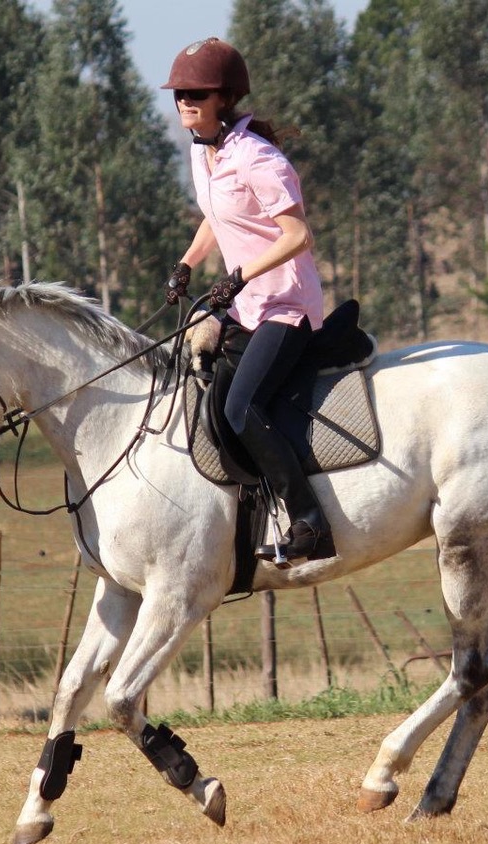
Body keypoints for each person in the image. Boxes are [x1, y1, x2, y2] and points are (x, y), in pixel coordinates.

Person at [161, 37, 334, 563]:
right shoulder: (204, 154)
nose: (184, 101)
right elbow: (218, 218)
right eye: (179, 93)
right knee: (205, 394)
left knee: (241, 408)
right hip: (246, 306)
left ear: (223, 97)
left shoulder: (258, 158)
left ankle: (310, 522)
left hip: (285, 305)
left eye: (196, 92)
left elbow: (297, 236)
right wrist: (188, 263)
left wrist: (238, 276)